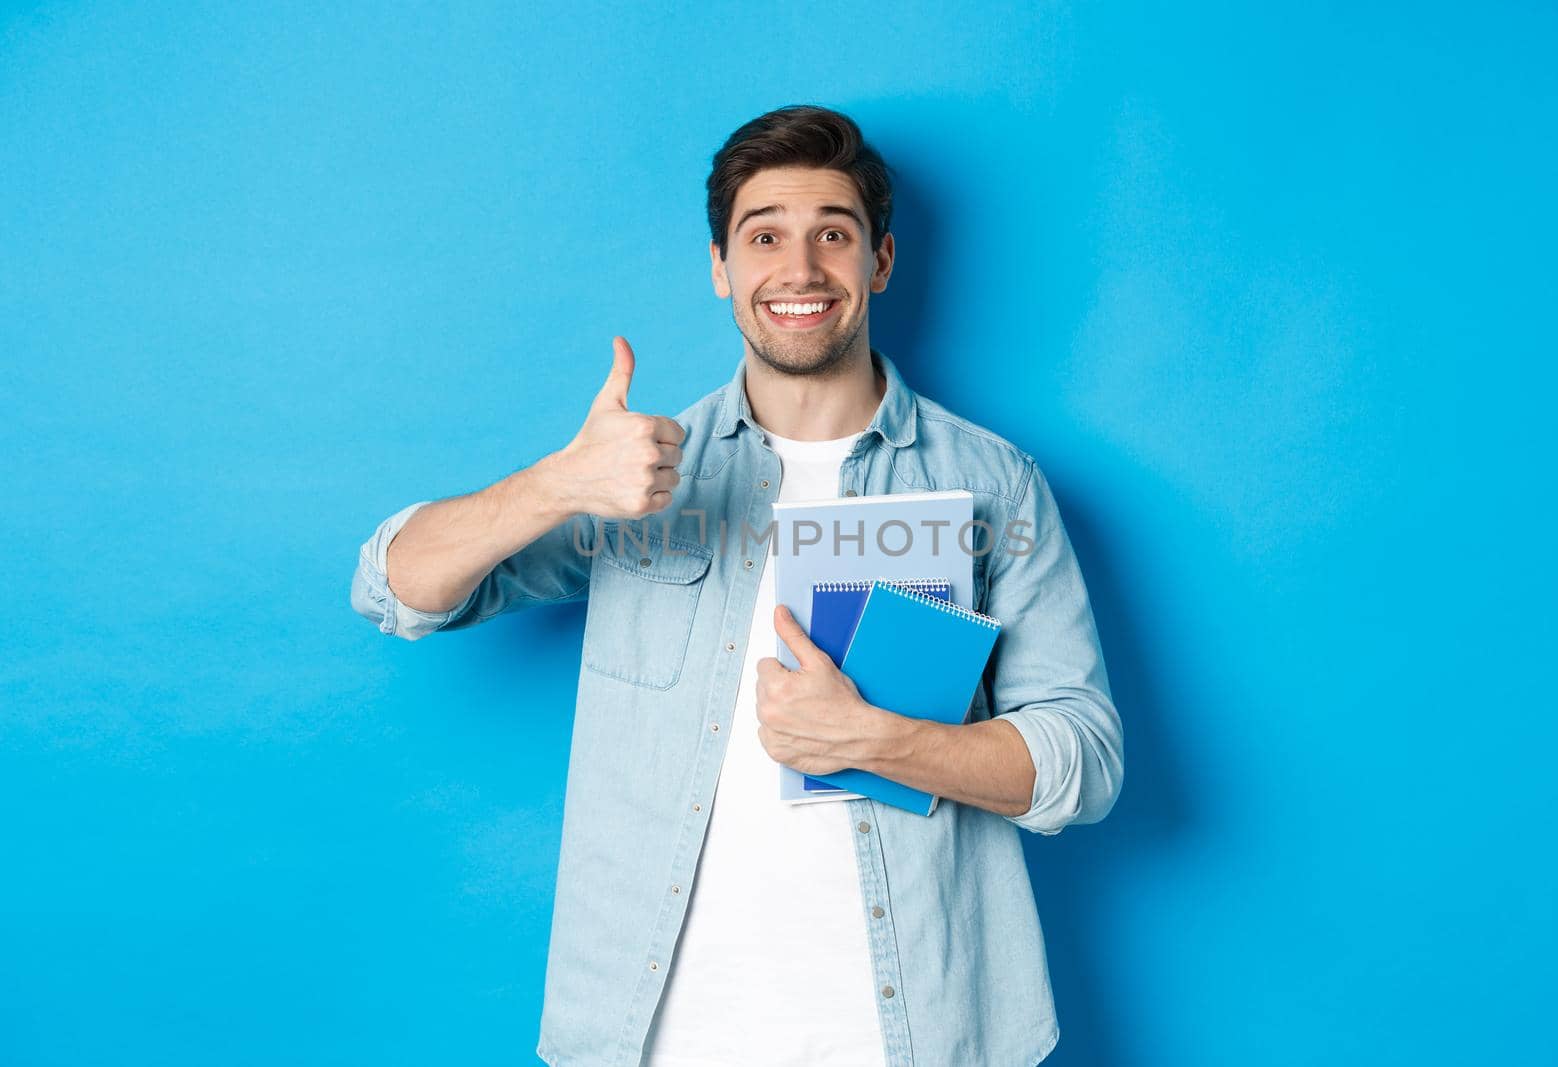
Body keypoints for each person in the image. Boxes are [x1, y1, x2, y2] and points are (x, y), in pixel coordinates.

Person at [350, 104, 1123, 1067]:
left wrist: (879, 740)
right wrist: (558, 483)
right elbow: (395, 585)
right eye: (765, 237)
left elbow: (1082, 760)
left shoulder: (992, 486)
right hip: (655, 1037)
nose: (799, 270)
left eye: (831, 235)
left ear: (880, 262)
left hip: (921, 1029)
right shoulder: (635, 473)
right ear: (721, 267)